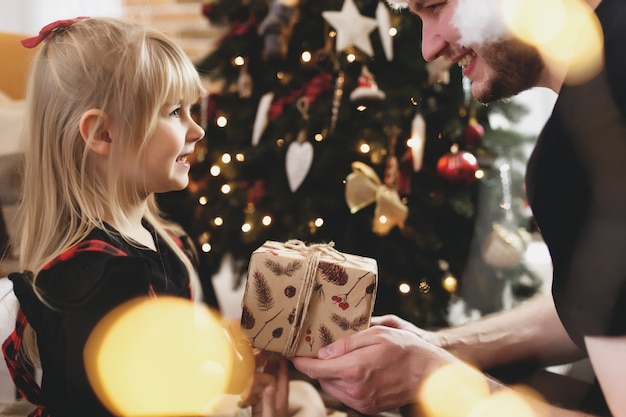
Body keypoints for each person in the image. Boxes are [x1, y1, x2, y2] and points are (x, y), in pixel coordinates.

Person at [291, 0, 626, 416]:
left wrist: (435, 381)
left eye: (435, 6)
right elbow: (602, 305)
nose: (428, 48)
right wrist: (443, 346)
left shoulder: (578, 156)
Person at [1, 17, 325, 417]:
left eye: (192, 110)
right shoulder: (100, 279)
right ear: (103, 134)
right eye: (174, 112)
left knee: (305, 399)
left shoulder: (160, 237)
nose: (197, 131)